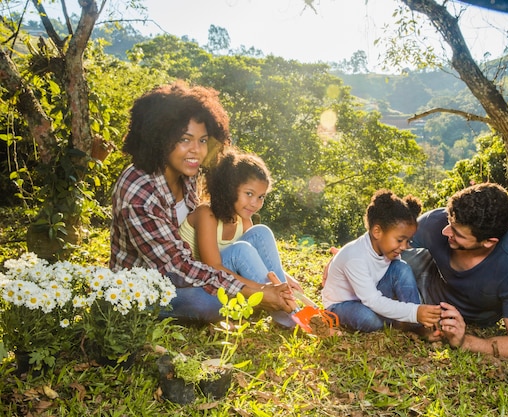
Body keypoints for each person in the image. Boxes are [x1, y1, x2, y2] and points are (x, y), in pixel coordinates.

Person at [109, 81, 295, 324]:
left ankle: (287, 304)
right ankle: (274, 305)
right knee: (207, 301)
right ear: (159, 138)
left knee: (258, 235)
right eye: (185, 139)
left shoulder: (186, 172)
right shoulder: (139, 192)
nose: (196, 151)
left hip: (195, 266)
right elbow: (178, 269)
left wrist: (273, 280)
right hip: (153, 285)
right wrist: (257, 291)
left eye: (203, 140)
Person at [402, 182, 508, 358]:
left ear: (489, 242)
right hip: (424, 276)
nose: (445, 231)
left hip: (469, 316)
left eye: (458, 234)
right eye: (449, 222)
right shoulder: (436, 222)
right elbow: (384, 246)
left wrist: (464, 341)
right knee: (391, 259)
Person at [179, 148, 302, 327]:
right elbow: (213, 267)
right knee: (241, 249)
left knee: (261, 232)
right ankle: (289, 315)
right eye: (249, 194)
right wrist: (260, 289)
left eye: (261, 197)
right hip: (199, 281)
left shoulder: (243, 218)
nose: (255, 203)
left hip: (226, 281)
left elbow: (256, 257)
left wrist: (285, 277)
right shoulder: (206, 214)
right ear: (230, 189)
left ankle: (286, 299)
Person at [321, 189, 442, 333]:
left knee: (401, 268)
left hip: (370, 293)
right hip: (342, 303)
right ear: (377, 232)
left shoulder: (387, 249)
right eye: (399, 240)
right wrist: (414, 312)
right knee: (369, 320)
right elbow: (372, 300)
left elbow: (392, 283)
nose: (404, 247)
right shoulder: (355, 257)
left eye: (407, 240)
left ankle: (415, 326)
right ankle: (404, 319)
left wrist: (414, 311)